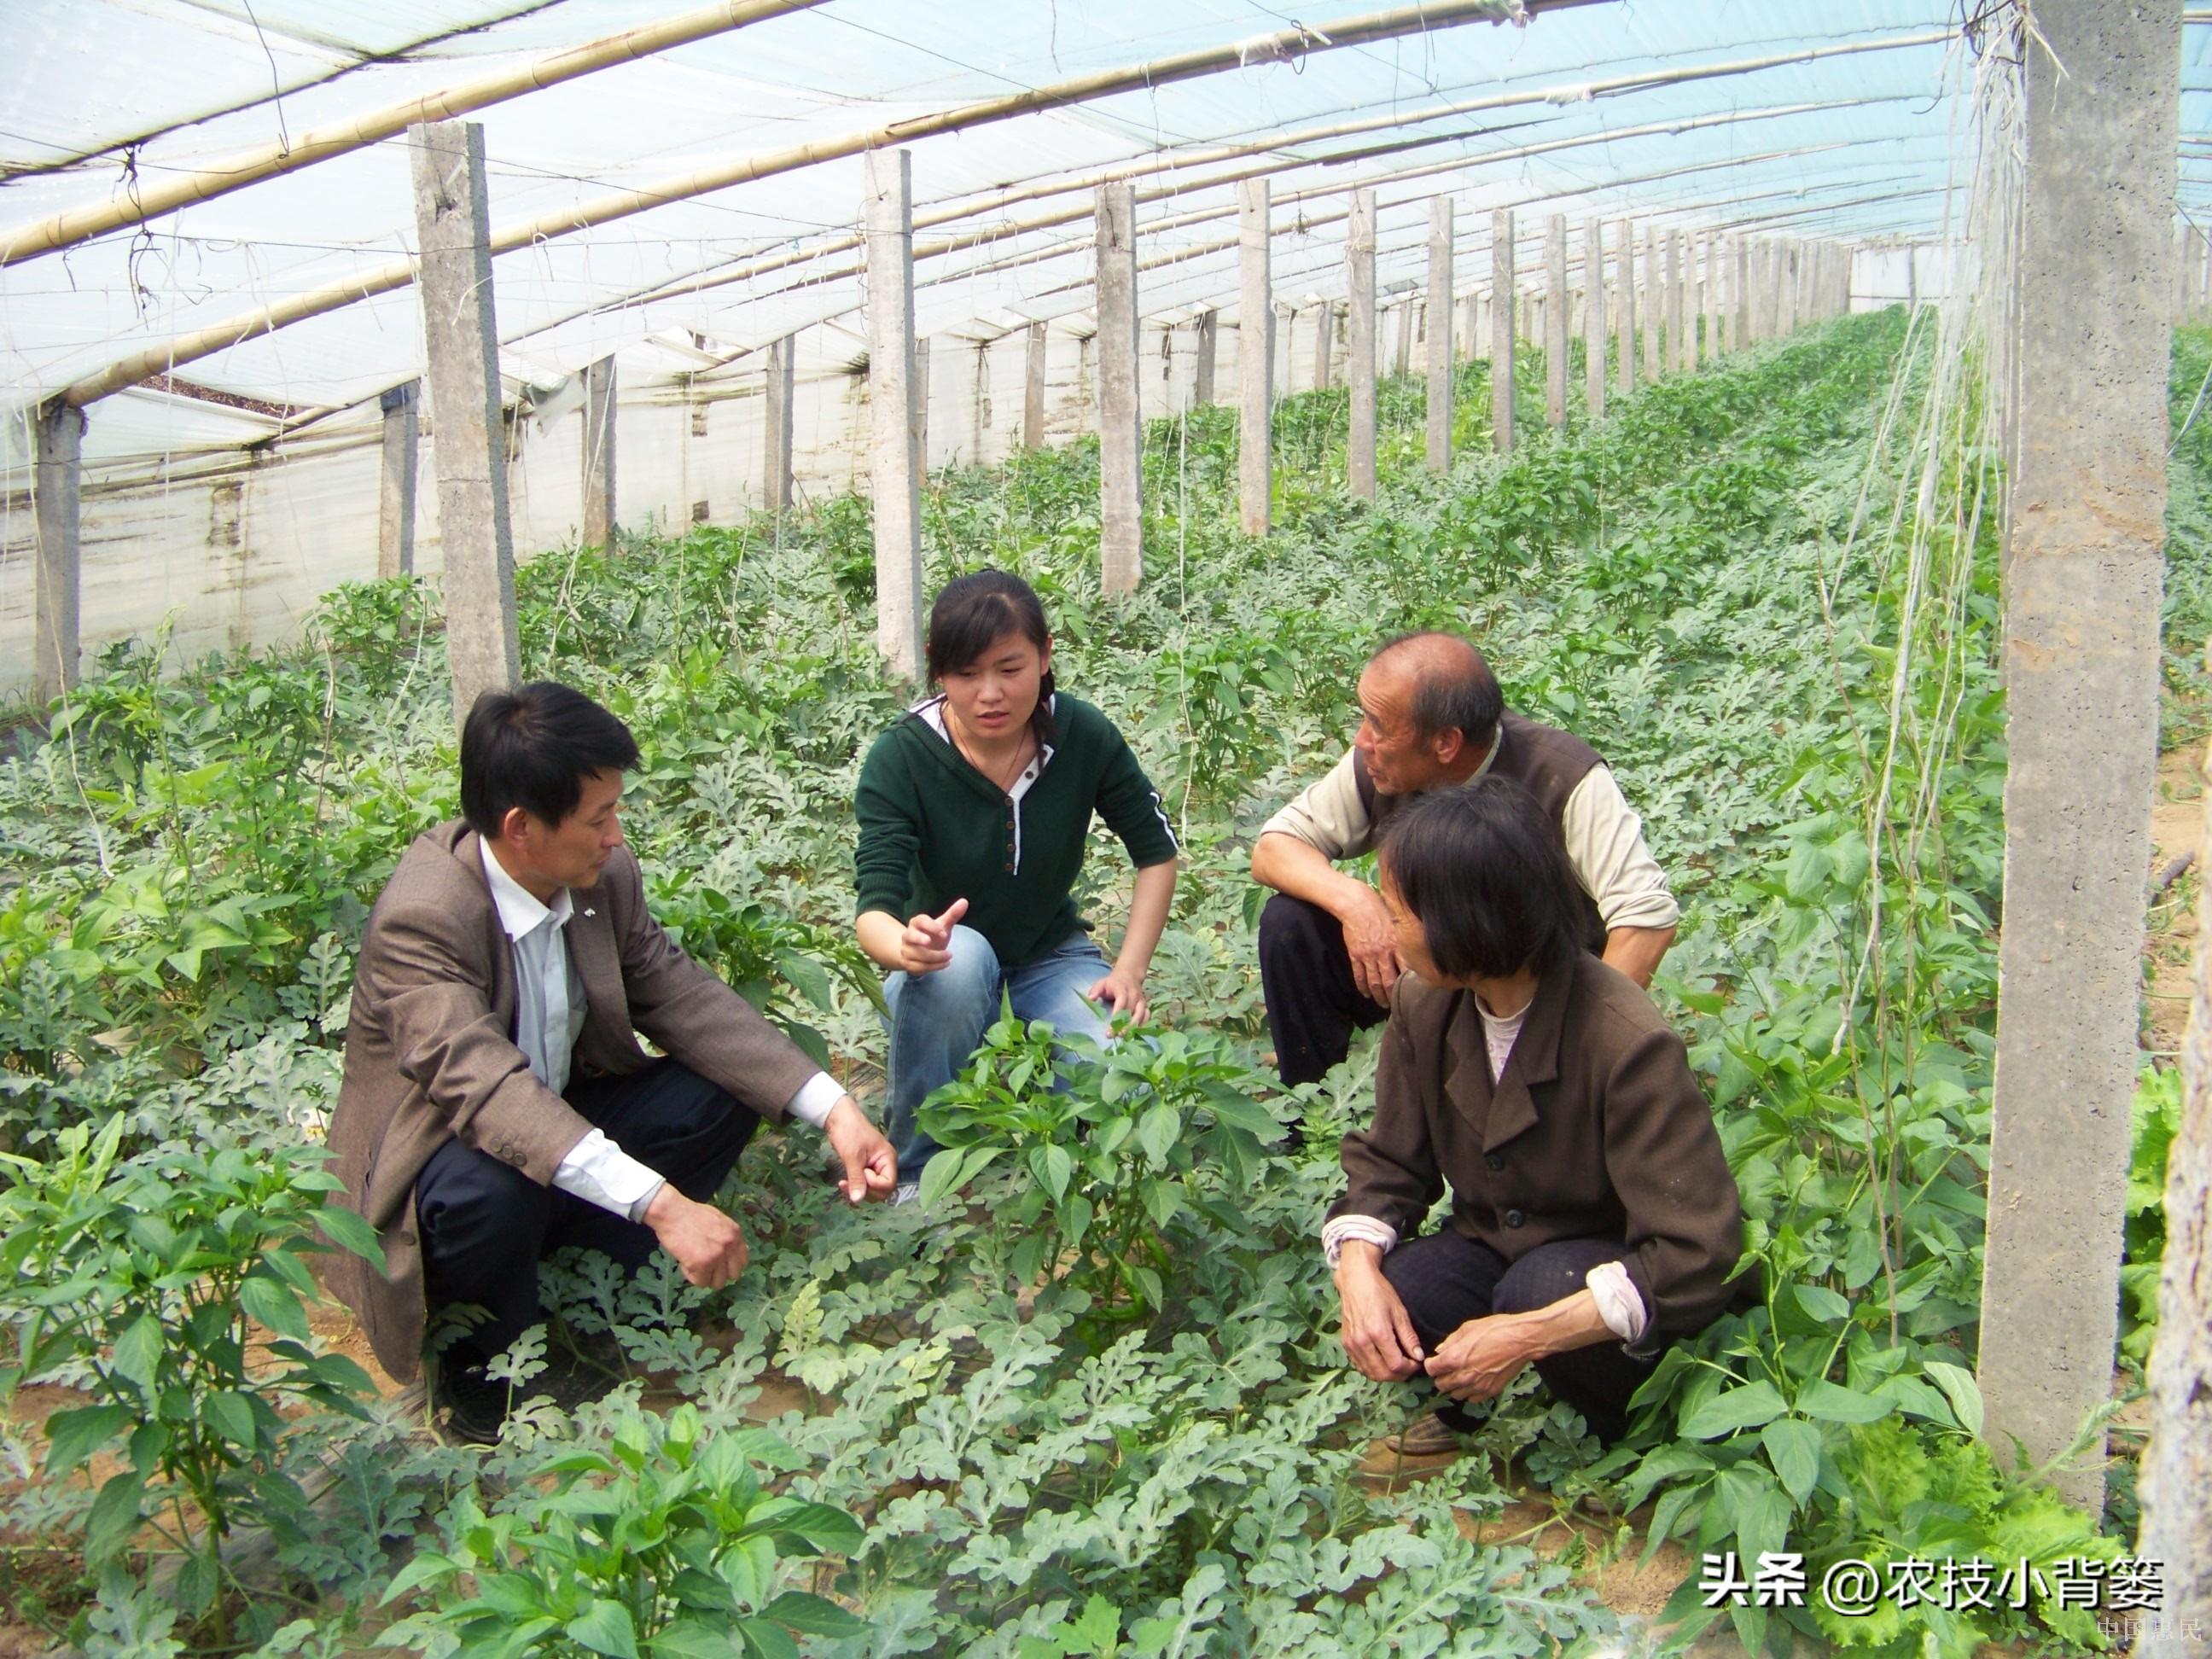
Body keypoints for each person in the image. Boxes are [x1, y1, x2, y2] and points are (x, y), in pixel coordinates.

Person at [328, 683, 896, 1442]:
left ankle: (580, 1285)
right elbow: (492, 1096)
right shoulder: (426, 918)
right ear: (520, 827)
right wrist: (663, 1203)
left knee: (722, 1090)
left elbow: (681, 996)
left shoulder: (599, 880)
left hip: (559, 1120)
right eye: (600, 818)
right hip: (448, 1163)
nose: (616, 837)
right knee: (487, 1191)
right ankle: (479, 1381)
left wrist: (834, 1106)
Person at [1326, 777, 1742, 1454]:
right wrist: (1356, 1272)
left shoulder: (1624, 1039)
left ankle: (1628, 1435)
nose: (1383, 924)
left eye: (1397, 911)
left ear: (1466, 923)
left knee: (1537, 1290)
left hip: (1608, 1262)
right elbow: (1390, 1162)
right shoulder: (1425, 1004)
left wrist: (1531, 1333)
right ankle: (1472, 1403)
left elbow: (1698, 1254)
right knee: (1410, 1285)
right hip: (1500, 1243)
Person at [853, 568, 1179, 1197]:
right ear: (936, 669)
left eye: (1010, 668)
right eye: (967, 674)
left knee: (1129, 1075)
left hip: (1050, 955)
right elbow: (875, 906)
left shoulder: (1081, 734)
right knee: (957, 961)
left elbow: (1156, 853)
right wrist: (905, 948)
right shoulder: (903, 758)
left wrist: (1130, 969)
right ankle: (918, 1171)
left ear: (1046, 654)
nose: (990, 694)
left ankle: (1056, 1109)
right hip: (941, 960)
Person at [1251, 631, 1679, 1086]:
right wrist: (1355, 903)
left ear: (1445, 744)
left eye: (1378, 724)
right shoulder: (1382, 763)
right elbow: (1274, 847)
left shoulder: (1564, 777)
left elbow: (1646, 917)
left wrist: (1578, 1042)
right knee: (1290, 923)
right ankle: (1315, 1105)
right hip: (1431, 968)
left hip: (1531, 987)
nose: (1361, 741)